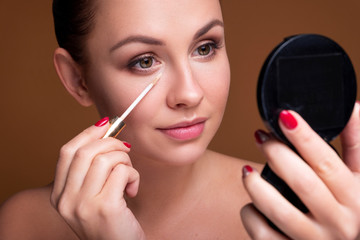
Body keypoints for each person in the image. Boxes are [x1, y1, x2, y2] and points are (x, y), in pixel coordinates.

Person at [1, 0, 360, 239]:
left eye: (205, 47)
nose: (189, 94)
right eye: (143, 60)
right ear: (77, 79)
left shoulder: (299, 217)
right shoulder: (23, 224)